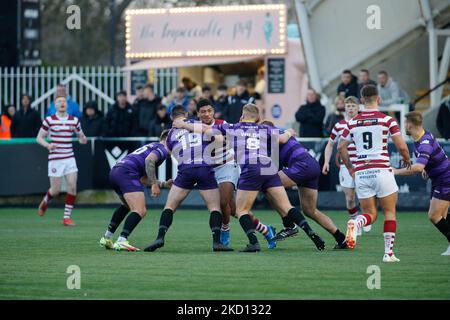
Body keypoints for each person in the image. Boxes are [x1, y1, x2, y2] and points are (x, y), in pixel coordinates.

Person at [176, 104, 325, 252]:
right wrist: (289, 132)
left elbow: (205, 129)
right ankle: (311, 233)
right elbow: (281, 139)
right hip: (268, 167)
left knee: (241, 211)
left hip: (251, 167)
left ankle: (254, 243)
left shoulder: (235, 128)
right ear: (258, 118)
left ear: (242, 116)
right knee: (287, 207)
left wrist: (182, 124)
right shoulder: (265, 128)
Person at [144, 105, 233, 253]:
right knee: (214, 208)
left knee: (170, 207)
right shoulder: (198, 124)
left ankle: (160, 237)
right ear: (186, 114)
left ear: (172, 117)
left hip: (186, 169)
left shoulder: (171, 133)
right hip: (205, 167)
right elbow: (219, 138)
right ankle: (217, 242)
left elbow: (173, 153)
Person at [338, 85, 411, 263]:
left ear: (362, 101)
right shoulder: (387, 120)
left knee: (370, 214)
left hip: (362, 172)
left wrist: (350, 167)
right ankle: (388, 254)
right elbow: (401, 145)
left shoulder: (353, 122)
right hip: (382, 170)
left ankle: (356, 222)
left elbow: (341, 146)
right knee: (389, 212)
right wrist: (406, 159)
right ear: (378, 99)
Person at [195, 99, 276, 249]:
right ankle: (266, 230)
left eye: (209, 111)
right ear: (197, 113)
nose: (207, 114)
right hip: (208, 171)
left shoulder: (221, 123)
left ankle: (225, 229)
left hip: (227, 165)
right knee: (234, 210)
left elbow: (222, 139)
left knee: (223, 202)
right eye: (203, 111)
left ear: (213, 111)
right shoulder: (194, 127)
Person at [260, 120, 346, 249]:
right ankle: (341, 238)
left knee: (268, 186)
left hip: (302, 166)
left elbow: (274, 163)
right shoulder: (276, 138)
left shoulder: (274, 135)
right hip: (311, 165)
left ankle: (289, 225)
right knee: (310, 210)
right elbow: (275, 166)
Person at [99, 130, 173, 251]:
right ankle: (122, 240)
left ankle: (107, 237)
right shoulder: (162, 149)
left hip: (116, 171)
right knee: (140, 210)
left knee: (126, 205)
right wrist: (154, 184)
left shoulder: (151, 146)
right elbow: (149, 161)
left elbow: (143, 179)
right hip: (127, 173)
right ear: (168, 140)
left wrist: (163, 184)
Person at [393, 111, 450, 256]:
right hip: (440, 179)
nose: (403, 126)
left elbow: (418, 167)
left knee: (434, 216)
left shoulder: (424, 142)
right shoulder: (424, 135)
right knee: (441, 215)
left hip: (445, 179)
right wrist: (427, 168)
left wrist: (396, 171)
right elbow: (431, 159)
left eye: (404, 123)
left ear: (409, 124)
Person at [322, 96, 371, 235]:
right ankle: (356, 222)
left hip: (362, 164)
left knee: (364, 195)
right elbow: (330, 144)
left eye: (353, 106)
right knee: (350, 198)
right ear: (345, 108)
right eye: (348, 106)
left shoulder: (364, 123)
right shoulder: (338, 126)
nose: (350, 108)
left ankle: (363, 219)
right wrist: (326, 161)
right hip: (346, 165)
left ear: (358, 108)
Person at [36, 94, 88, 226]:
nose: (62, 103)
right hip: (55, 159)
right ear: (55, 105)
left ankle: (66, 218)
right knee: (56, 190)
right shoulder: (49, 120)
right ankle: (45, 201)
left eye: (64, 101)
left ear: (67, 104)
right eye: (59, 101)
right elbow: (39, 138)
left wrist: (83, 139)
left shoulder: (74, 120)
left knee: (72, 186)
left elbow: (81, 136)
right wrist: (48, 145)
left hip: (69, 157)